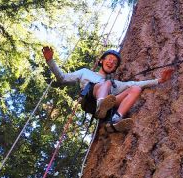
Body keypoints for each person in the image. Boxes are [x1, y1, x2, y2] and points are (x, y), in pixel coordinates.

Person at [42, 46, 173, 131]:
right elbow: (62, 78)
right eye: (109, 59)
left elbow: (135, 83)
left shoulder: (113, 82)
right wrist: (50, 61)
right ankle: (101, 106)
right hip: (90, 100)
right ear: (101, 61)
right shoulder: (85, 72)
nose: (111, 63)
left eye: (114, 63)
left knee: (135, 89)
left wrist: (159, 81)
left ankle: (115, 120)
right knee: (107, 84)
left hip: (108, 104)